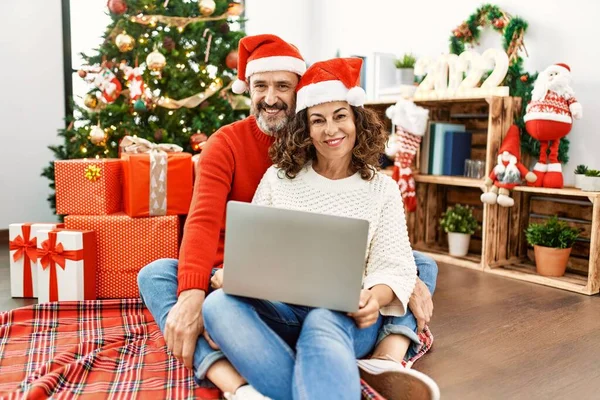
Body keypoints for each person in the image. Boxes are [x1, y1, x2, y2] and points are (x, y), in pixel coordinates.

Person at [137, 34, 437, 399]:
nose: (271, 97)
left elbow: (391, 258)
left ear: (299, 94)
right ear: (306, 126)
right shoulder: (258, 163)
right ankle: (244, 382)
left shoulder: (377, 186)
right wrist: (197, 292)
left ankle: (384, 357)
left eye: (283, 86)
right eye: (260, 85)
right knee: (173, 284)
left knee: (414, 268)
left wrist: (391, 285)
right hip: (251, 285)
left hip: (339, 305)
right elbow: (204, 224)